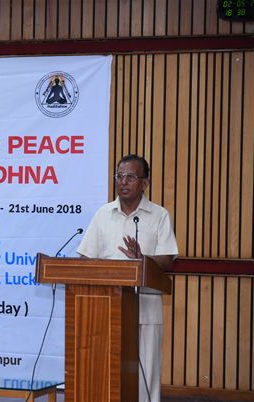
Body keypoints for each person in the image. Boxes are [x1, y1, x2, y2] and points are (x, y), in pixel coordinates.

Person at [76, 154, 178, 402]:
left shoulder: (159, 215)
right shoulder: (103, 214)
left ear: (145, 183)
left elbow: (167, 259)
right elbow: (86, 257)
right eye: (119, 176)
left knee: (146, 376)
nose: (123, 182)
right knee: (106, 373)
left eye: (130, 177)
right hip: (106, 310)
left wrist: (143, 259)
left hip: (145, 310)